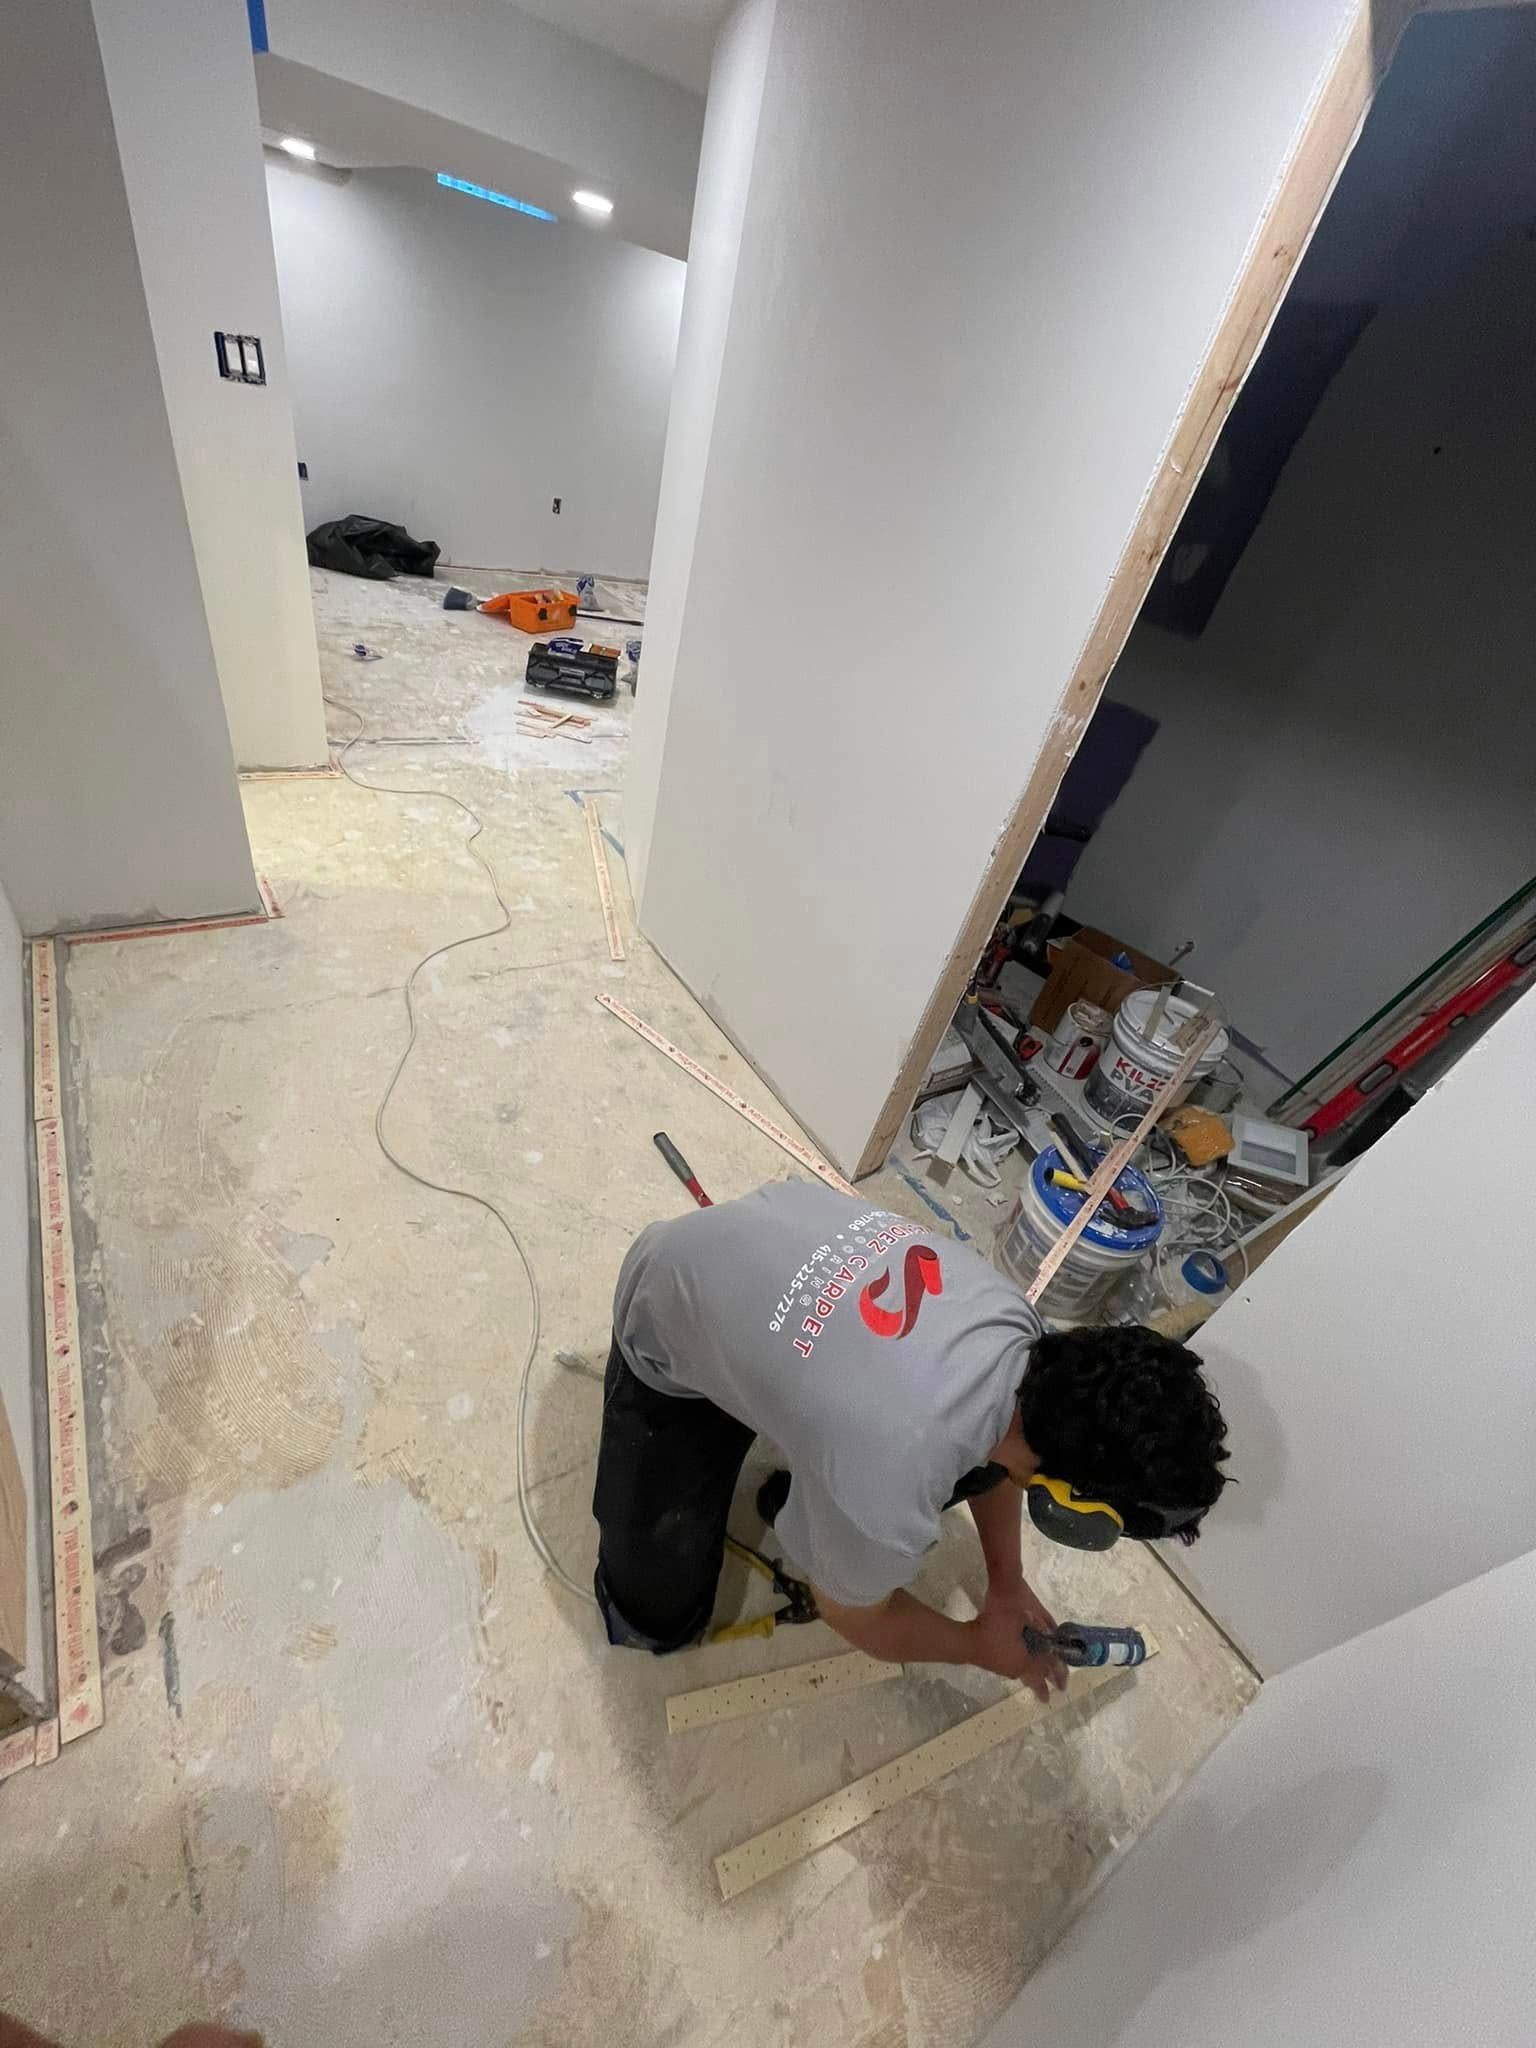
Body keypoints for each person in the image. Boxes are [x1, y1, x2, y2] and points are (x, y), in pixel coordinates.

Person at [593, 1182, 1231, 1699]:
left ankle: (817, 1501)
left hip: (754, 1256)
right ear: (1069, 1507)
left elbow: (1008, 1460)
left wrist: (1004, 1583)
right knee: (658, 1611)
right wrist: (977, 1646)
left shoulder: (1024, 1334)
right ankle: (749, 1553)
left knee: (873, 1466)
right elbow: (856, 1617)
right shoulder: (895, 1471)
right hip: (662, 1323)